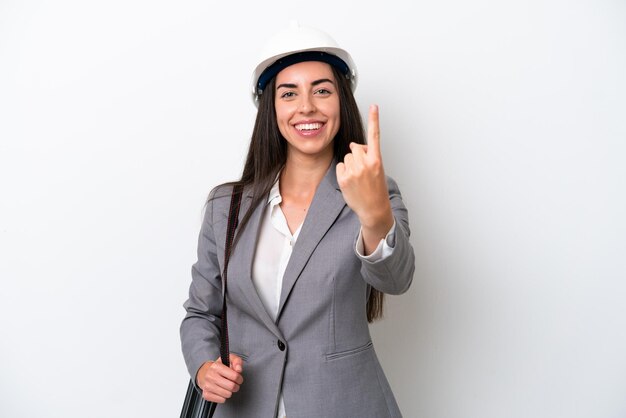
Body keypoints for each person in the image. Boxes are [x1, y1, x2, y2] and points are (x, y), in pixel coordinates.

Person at [180, 21, 415, 418]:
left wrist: (374, 213)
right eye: (290, 94)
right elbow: (201, 313)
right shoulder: (227, 206)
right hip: (245, 407)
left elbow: (396, 278)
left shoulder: (375, 191)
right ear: (272, 108)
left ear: (342, 101)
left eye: (322, 90)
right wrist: (204, 366)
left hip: (345, 405)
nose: (307, 106)